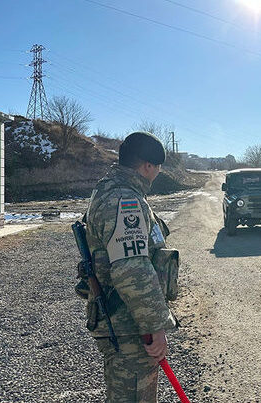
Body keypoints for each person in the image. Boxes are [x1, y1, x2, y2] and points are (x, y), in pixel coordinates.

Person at [81, 131, 177, 402]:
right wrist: (156, 326)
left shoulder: (112, 190)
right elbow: (131, 270)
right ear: (147, 165)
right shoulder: (125, 199)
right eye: (157, 167)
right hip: (130, 325)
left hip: (126, 320)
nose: (157, 173)